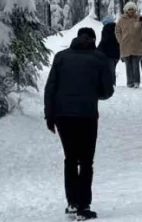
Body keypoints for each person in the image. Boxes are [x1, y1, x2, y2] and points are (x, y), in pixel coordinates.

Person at [45, 27, 115, 221]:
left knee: (70, 158)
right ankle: (84, 205)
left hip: (63, 114)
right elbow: (107, 90)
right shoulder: (99, 58)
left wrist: (49, 116)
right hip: (87, 114)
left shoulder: (61, 57)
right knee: (86, 160)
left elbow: (50, 87)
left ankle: (72, 202)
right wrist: (95, 94)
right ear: (93, 39)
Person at [114, 2, 142, 88]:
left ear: (135, 10)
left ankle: (136, 82)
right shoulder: (121, 19)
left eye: (133, 9)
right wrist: (120, 40)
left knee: (135, 64)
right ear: (126, 10)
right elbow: (117, 31)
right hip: (125, 45)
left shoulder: (139, 18)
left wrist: (141, 39)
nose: (131, 11)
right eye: (129, 9)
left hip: (136, 44)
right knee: (128, 65)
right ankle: (130, 82)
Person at [98, 15, 121, 80]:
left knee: (110, 71)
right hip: (117, 54)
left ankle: (112, 84)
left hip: (108, 54)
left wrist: (98, 50)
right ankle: (113, 83)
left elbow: (104, 41)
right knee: (113, 69)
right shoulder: (118, 29)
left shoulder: (106, 29)